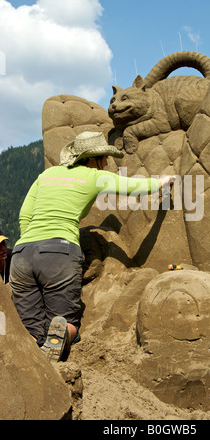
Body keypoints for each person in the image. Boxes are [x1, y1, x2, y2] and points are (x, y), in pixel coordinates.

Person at [9, 131, 173, 362]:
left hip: (21, 254)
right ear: (93, 159)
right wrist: (163, 182)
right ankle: (63, 334)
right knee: (66, 320)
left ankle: (37, 356)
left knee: (30, 327)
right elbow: (134, 186)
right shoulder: (93, 176)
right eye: (104, 157)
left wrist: (31, 245)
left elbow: (25, 215)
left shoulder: (46, 175)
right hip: (59, 251)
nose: (107, 162)